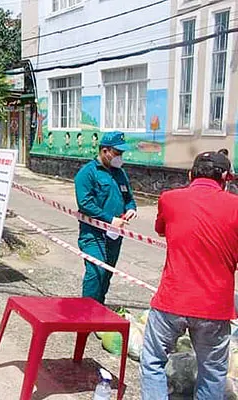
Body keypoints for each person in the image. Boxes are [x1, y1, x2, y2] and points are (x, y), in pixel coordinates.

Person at [140, 151, 238, 400]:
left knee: (152, 361)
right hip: (215, 307)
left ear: (190, 174)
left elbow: (161, 229)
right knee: (213, 371)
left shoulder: (169, 199)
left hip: (171, 301)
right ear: (226, 178)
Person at [74, 131, 137, 304]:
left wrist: (131, 209)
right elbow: (85, 203)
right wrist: (109, 219)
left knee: (107, 273)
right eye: (117, 153)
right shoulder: (87, 173)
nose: (120, 157)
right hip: (93, 235)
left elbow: (129, 198)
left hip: (114, 235)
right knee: (95, 272)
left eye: (122, 153)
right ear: (105, 151)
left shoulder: (120, 173)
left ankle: (99, 307)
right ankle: (86, 312)